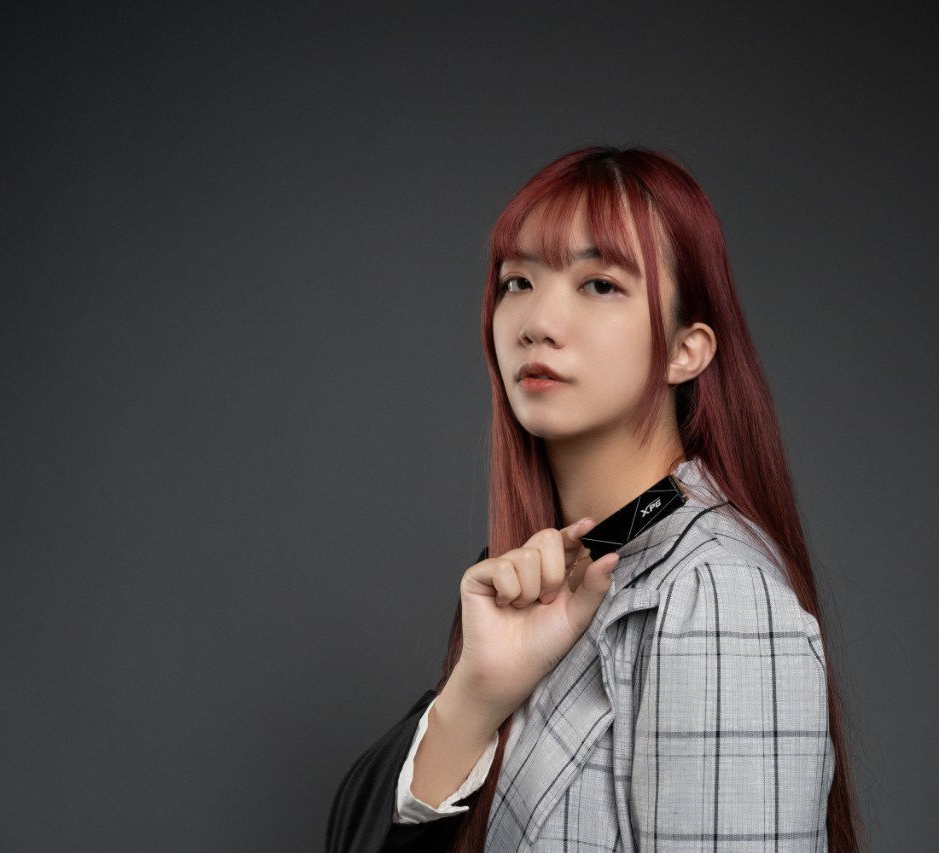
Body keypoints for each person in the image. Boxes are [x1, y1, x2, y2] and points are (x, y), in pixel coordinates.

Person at [327, 146, 863, 852]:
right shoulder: (575, 560)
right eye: (518, 280)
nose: (537, 322)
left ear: (687, 350)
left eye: (600, 284)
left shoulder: (713, 593)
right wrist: (475, 696)